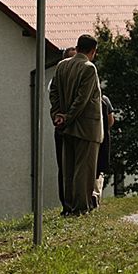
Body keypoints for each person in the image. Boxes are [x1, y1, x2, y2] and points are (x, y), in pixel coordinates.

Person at [50, 34, 104, 216]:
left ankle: (69, 205)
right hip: (86, 128)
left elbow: (54, 92)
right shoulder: (89, 68)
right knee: (84, 169)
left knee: (68, 170)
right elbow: (83, 99)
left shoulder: (62, 65)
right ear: (92, 51)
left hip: (66, 128)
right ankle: (81, 207)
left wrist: (57, 115)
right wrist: (68, 117)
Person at [52, 47, 76, 214]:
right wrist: (59, 116)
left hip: (77, 126)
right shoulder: (58, 78)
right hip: (63, 127)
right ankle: (66, 204)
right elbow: (53, 97)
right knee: (64, 167)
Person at [92, 95, 114, 208]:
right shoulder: (104, 100)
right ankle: (95, 195)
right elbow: (111, 120)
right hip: (102, 138)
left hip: (87, 138)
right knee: (99, 169)